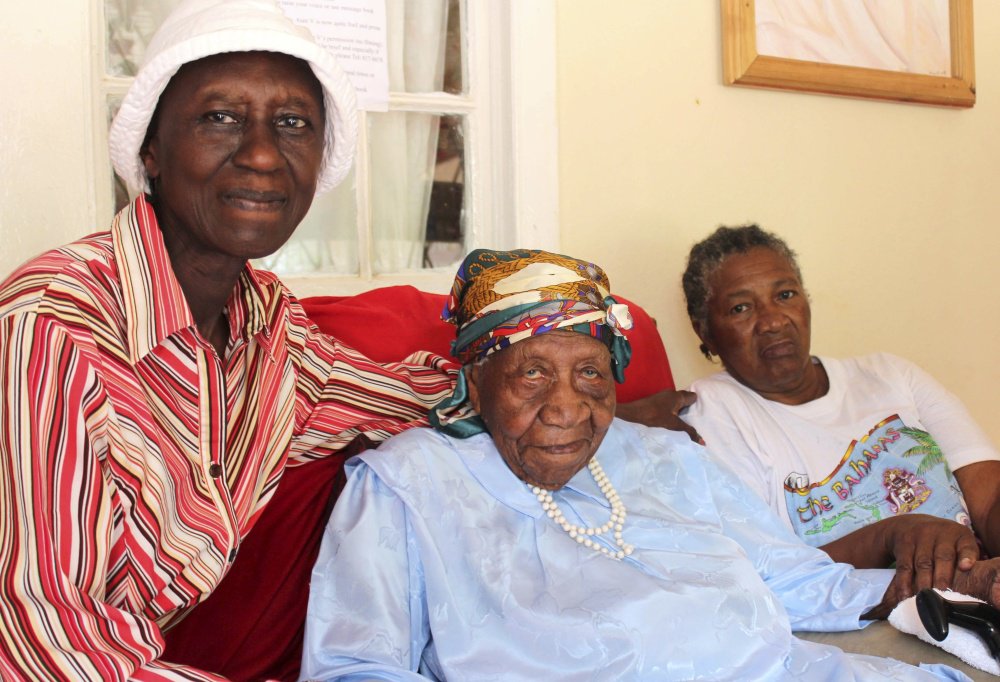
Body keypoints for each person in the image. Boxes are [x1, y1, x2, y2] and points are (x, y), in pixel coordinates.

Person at [0, 2, 694, 678]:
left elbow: (411, 395)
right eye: (220, 117)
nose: (265, 154)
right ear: (150, 147)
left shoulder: (270, 326)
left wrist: (574, 403)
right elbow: (50, 648)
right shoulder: (51, 330)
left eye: (294, 123)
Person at [300, 248, 1000, 681]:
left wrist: (962, 582)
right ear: (478, 380)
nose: (568, 408)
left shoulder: (666, 457)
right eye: (532, 375)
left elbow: (794, 580)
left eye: (593, 377)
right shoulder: (407, 483)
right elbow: (353, 666)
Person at [680, 224, 1000, 606]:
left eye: (785, 295)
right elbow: (768, 571)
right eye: (741, 308)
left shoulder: (890, 374)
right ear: (705, 332)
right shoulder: (713, 410)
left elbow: (989, 496)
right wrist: (890, 536)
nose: (773, 321)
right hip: (873, 627)